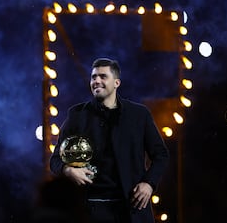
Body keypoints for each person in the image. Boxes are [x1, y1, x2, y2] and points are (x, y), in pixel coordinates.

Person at [50, 57, 169, 223]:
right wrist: (68, 170)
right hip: (89, 211)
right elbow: (55, 160)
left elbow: (161, 155)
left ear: (117, 83)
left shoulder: (138, 115)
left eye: (103, 76)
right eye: (93, 77)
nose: (96, 81)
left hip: (130, 210)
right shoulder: (76, 116)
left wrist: (149, 184)